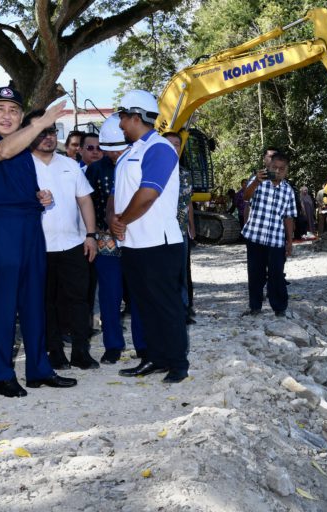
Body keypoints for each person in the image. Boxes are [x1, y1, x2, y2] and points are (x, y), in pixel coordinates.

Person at [0, 86, 76, 397]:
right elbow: (1, 152)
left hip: (29, 224)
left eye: (14, 110)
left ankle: (39, 369)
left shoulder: (24, 149)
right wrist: (39, 123)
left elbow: (15, 177)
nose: (7, 115)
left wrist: (39, 196)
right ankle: (1, 375)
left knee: (33, 299)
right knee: (2, 301)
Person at [110, 89, 189, 384]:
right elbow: (120, 195)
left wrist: (122, 220)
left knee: (166, 305)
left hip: (158, 242)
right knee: (144, 306)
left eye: (122, 118)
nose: (119, 124)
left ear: (135, 117)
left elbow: (148, 194)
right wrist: (118, 223)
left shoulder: (159, 148)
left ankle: (177, 362)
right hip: (133, 243)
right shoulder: (133, 150)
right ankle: (154, 357)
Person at [24, 110, 100, 370]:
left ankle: (81, 351)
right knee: (47, 302)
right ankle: (54, 351)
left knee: (79, 301)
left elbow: (84, 200)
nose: (48, 137)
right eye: (42, 131)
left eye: (52, 131)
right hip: (38, 247)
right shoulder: (21, 165)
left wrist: (90, 235)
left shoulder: (70, 164)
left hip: (73, 244)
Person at [85, 114, 146, 364]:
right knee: (110, 297)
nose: (110, 153)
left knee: (139, 295)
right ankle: (112, 345)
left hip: (138, 238)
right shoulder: (95, 169)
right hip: (106, 241)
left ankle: (143, 345)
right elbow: (86, 203)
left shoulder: (140, 162)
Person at [241, 152, 297, 317]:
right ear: (268, 166)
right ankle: (255, 307)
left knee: (277, 274)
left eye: (281, 169)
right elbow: (246, 197)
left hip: (276, 239)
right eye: (274, 168)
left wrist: (290, 241)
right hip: (255, 236)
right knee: (255, 273)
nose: (278, 171)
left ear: (286, 171)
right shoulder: (258, 182)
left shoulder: (288, 191)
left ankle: (279, 309)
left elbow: (288, 216)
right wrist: (257, 181)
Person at [163, 132, 197, 325]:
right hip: (158, 231)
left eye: (177, 144)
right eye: (170, 144)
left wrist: (192, 226)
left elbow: (188, 203)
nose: (174, 147)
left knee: (181, 273)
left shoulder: (184, 174)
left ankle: (183, 310)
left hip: (180, 231)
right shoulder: (152, 169)